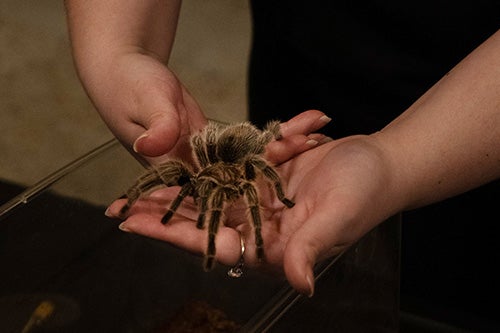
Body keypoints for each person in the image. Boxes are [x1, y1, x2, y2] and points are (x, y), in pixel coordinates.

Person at [64, 0, 500, 326]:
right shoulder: (209, 165)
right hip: (305, 47)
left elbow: (260, 174)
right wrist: (118, 51)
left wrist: (395, 161)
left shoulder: (246, 172)